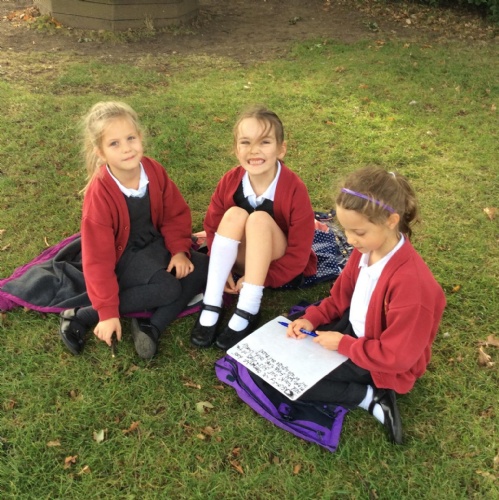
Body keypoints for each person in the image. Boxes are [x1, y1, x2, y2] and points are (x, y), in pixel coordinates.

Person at [286, 167, 446, 444]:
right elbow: (339, 298)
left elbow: (398, 357)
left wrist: (344, 345)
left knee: (292, 381)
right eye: (345, 229)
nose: (349, 240)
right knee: (283, 355)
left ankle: (369, 396)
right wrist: (312, 318)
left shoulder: (413, 287)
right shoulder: (364, 251)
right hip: (355, 332)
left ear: (391, 221)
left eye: (358, 231)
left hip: (379, 359)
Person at [59, 101, 208, 359]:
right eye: (114, 143)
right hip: (124, 256)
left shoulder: (153, 170)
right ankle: (84, 314)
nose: (126, 148)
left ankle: (150, 327)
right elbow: (98, 258)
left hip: (154, 244)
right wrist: (107, 312)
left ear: (140, 137)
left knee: (205, 266)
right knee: (168, 288)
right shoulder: (100, 193)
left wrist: (179, 251)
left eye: (130, 138)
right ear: (101, 152)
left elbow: (174, 215)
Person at [190, 105, 317, 350]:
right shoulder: (229, 180)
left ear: (281, 149)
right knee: (234, 214)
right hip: (238, 259)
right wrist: (221, 268)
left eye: (265, 142)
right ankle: (212, 300)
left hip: (273, 262)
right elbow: (213, 227)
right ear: (236, 148)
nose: (254, 150)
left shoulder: (294, 189)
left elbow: (299, 253)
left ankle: (249, 306)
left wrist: (257, 279)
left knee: (259, 219)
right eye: (246, 142)